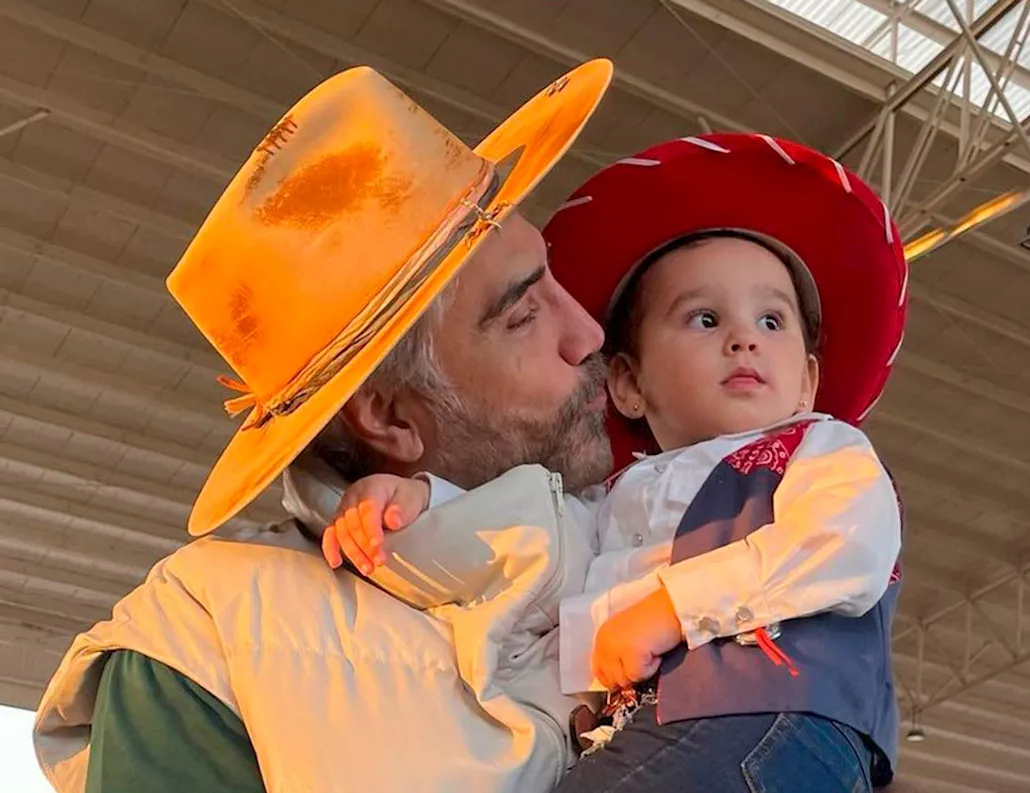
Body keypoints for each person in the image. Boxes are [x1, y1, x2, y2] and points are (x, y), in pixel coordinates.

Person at [32, 60, 620, 793]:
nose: (589, 333)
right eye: (524, 313)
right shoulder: (202, 634)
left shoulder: (674, 520)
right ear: (388, 416)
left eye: (554, 280)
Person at [325, 132, 909, 791]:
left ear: (807, 380)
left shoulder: (823, 450)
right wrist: (420, 504)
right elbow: (532, 538)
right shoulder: (617, 501)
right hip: (660, 729)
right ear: (627, 382)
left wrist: (672, 606)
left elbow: (847, 549)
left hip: (768, 714)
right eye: (705, 318)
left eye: (772, 322)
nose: (744, 336)